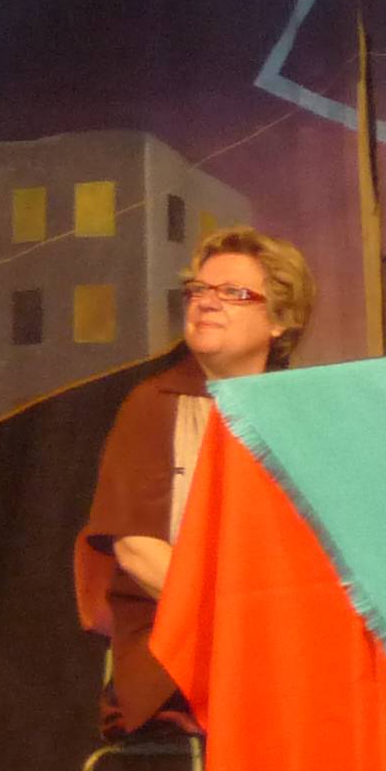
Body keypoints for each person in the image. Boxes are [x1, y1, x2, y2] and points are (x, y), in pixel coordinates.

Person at [75, 226, 317, 739]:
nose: (206, 303)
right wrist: (242, 617)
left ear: (279, 320)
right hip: (179, 642)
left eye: (232, 293)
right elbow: (137, 550)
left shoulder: (303, 416)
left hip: (282, 633)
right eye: (198, 290)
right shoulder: (154, 405)